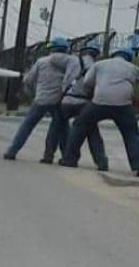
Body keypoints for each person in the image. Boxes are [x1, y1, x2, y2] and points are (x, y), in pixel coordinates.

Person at [60, 48, 139, 176]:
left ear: (113, 55)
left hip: (99, 101)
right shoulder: (133, 68)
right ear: (129, 58)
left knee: (79, 125)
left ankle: (69, 159)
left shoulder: (99, 64)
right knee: (131, 133)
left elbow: (87, 82)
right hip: (123, 104)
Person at [3, 37, 72, 163]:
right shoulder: (68, 64)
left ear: (51, 49)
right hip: (58, 101)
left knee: (26, 126)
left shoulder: (41, 62)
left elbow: (28, 80)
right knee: (63, 129)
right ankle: (63, 156)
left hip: (40, 100)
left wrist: (32, 94)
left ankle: (12, 151)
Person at [46, 42, 108, 171]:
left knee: (55, 127)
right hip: (85, 104)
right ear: (96, 54)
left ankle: (49, 155)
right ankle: (101, 161)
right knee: (92, 132)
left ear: (82, 51)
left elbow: (53, 58)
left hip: (67, 100)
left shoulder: (72, 60)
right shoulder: (98, 66)